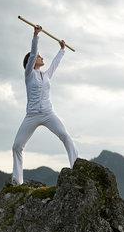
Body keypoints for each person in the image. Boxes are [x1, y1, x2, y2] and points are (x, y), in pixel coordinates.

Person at [11, 24, 78, 185]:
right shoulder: (28, 74)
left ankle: (77, 168)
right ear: (32, 62)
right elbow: (33, 53)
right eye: (39, 57)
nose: (41, 58)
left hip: (48, 113)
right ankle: (17, 181)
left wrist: (62, 50)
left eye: (41, 57)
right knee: (17, 146)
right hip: (32, 115)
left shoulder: (46, 75)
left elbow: (55, 64)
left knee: (66, 137)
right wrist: (36, 35)